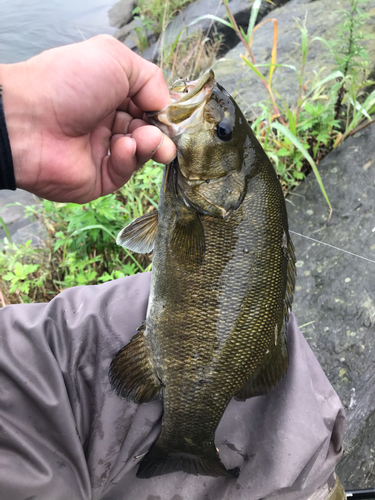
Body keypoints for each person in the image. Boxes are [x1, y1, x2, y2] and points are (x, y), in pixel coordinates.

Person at [0, 36, 346, 500]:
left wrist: (19, 122)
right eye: (224, 129)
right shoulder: (200, 203)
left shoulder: (197, 204)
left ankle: (187, 433)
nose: (217, 118)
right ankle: (191, 435)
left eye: (222, 132)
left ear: (231, 188)